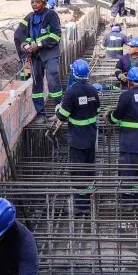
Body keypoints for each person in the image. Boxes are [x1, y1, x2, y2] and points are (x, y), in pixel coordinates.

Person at [57, 59, 101, 215]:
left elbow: (62, 116)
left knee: (77, 172)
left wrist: (58, 109)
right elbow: (97, 111)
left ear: (74, 73)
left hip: (77, 140)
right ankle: (89, 200)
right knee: (89, 170)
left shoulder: (71, 92)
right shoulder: (92, 90)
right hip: (90, 138)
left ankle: (81, 206)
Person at [13, 0, 63, 114]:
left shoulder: (51, 15)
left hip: (49, 53)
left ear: (44, 3)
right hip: (35, 56)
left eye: (37, 2)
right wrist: (25, 45)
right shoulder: (30, 17)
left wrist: (39, 44)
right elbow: (20, 33)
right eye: (32, 2)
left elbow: (55, 36)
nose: (34, 4)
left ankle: (59, 110)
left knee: (53, 78)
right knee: (37, 84)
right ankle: (40, 113)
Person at [110, 66, 138, 202]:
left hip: (132, 142)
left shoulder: (126, 95)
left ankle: (129, 202)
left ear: (129, 82)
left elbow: (115, 117)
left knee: (128, 171)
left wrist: (109, 116)